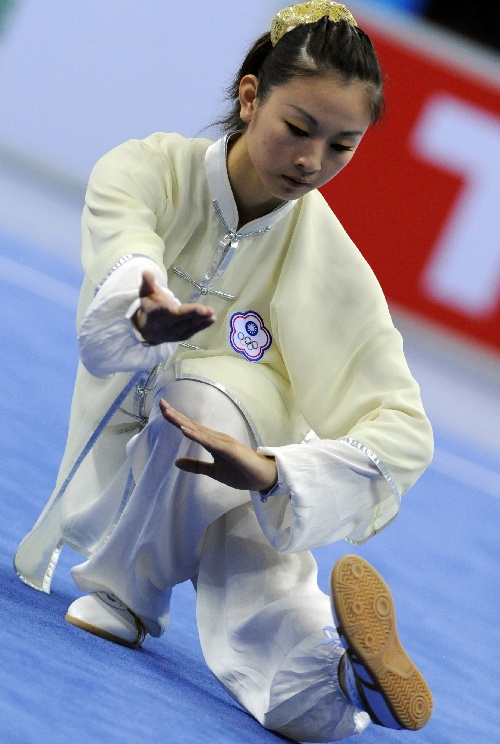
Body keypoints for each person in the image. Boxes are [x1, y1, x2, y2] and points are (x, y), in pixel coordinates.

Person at [14, 2, 434, 740]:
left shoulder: (333, 266)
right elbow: (125, 246)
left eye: (343, 145)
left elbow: (403, 428)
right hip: (129, 462)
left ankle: (125, 597)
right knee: (315, 711)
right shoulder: (148, 169)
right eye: (298, 128)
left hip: (233, 460)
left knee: (203, 394)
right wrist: (143, 310)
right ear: (249, 97)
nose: (312, 162)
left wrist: (276, 474)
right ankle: (337, 679)